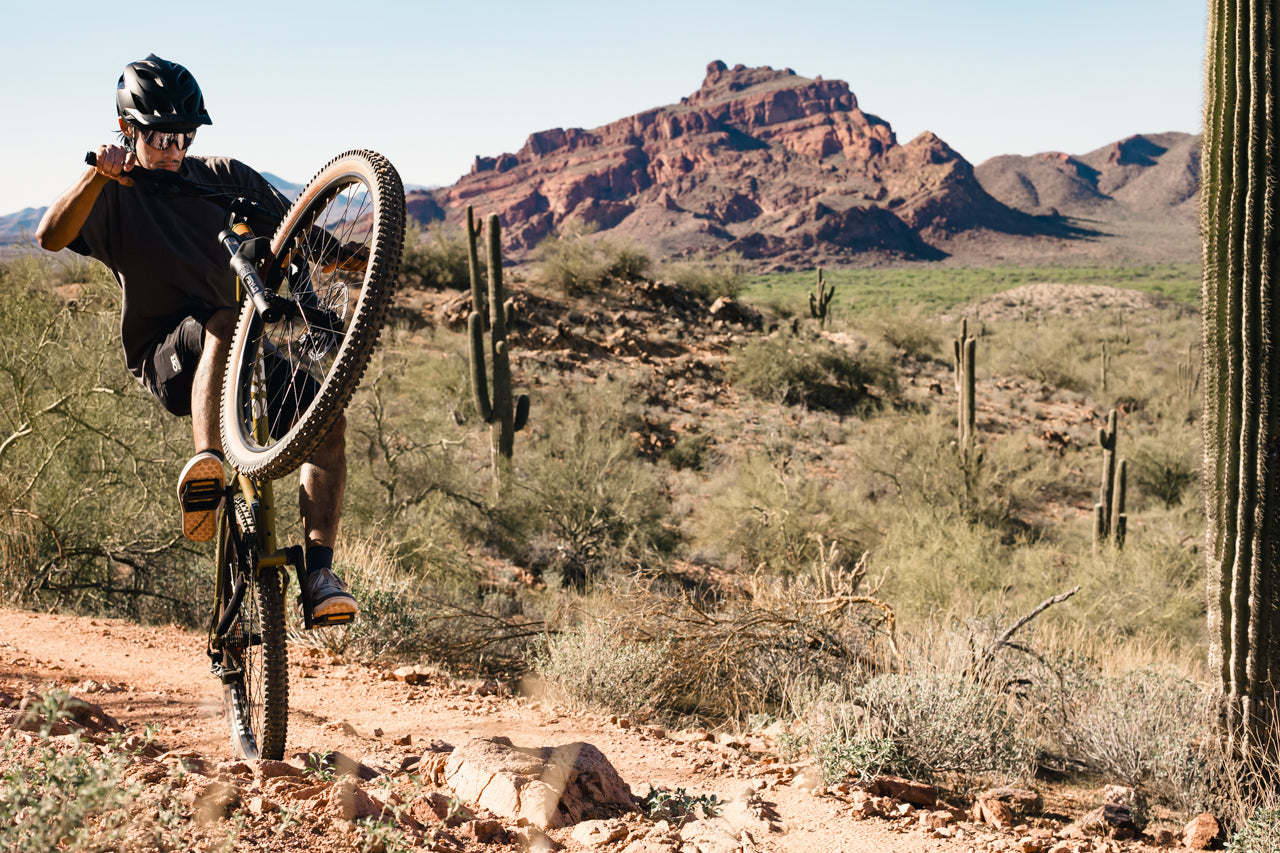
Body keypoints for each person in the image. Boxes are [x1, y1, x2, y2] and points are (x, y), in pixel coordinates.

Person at [36, 54, 357, 621]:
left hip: (239, 355)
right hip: (168, 358)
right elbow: (49, 236)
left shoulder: (222, 176)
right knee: (223, 320)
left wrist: (373, 259)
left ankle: (319, 574)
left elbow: (301, 234)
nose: (173, 148)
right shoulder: (113, 192)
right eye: (160, 137)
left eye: (184, 136)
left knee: (328, 423)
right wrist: (95, 175)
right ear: (127, 129)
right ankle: (206, 467)